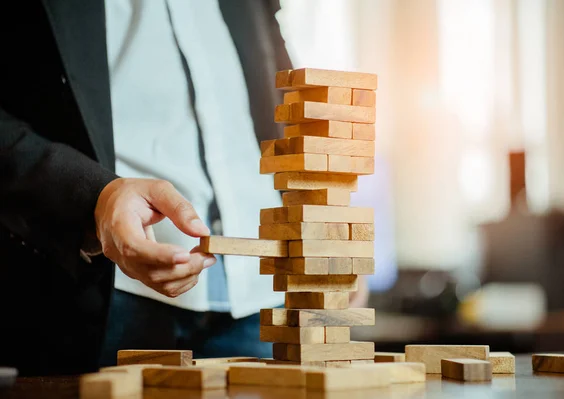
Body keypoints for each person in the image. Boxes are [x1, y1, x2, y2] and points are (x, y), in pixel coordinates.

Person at [0, 0, 368, 376]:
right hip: (102, 292)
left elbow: (281, 94)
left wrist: (327, 225)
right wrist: (94, 195)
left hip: (265, 293)